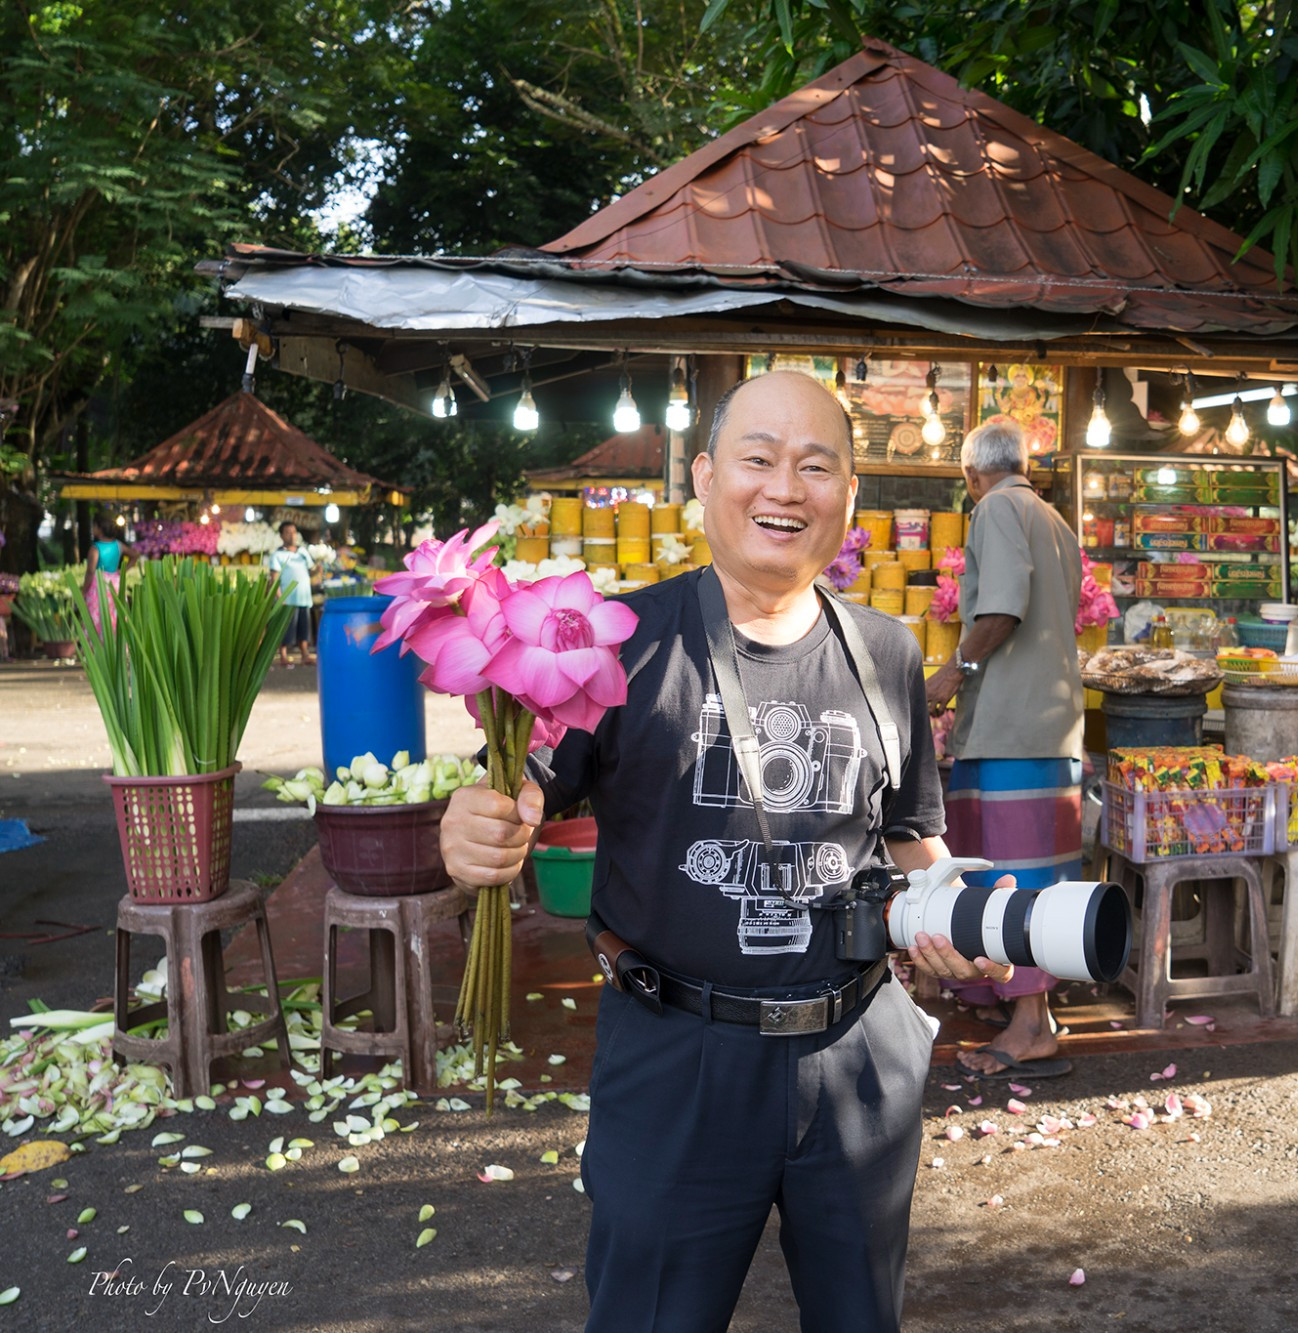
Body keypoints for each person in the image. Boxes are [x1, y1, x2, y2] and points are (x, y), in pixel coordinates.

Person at [439, 370, 1015, 1333]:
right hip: (678, 1059)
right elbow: (519, 789)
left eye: (816, 466)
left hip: (857, 1053)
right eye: (758, 459)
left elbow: (913, 836)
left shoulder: (889, 652)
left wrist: (956, 909)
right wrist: (473, 827)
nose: (785, 489)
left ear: (850, 499)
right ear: (704, 478)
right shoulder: (618, 644)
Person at [924, 417, 1084, 1081]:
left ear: (970, 474)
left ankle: (1030, 1024)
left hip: (1011, 726)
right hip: (1051, 724)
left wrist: (955, 667)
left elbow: (1003, 608)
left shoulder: (993, 507)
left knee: (1013, 873)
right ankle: (1012, 999)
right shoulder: (1054, 519)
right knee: (1032, 870)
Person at [265, 522, 317, 667]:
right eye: (288, 532)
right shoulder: (277, 555)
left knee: (304, 628)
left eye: (294, 532)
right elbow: (274, 579)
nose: (292, 535)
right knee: (285, 628)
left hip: (304, 598)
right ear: (281, 535)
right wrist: (280, 597)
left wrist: (318, 567)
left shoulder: (303, 552)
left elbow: (311, 571)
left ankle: (305, 654)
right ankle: (283, 655)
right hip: (287, 599)